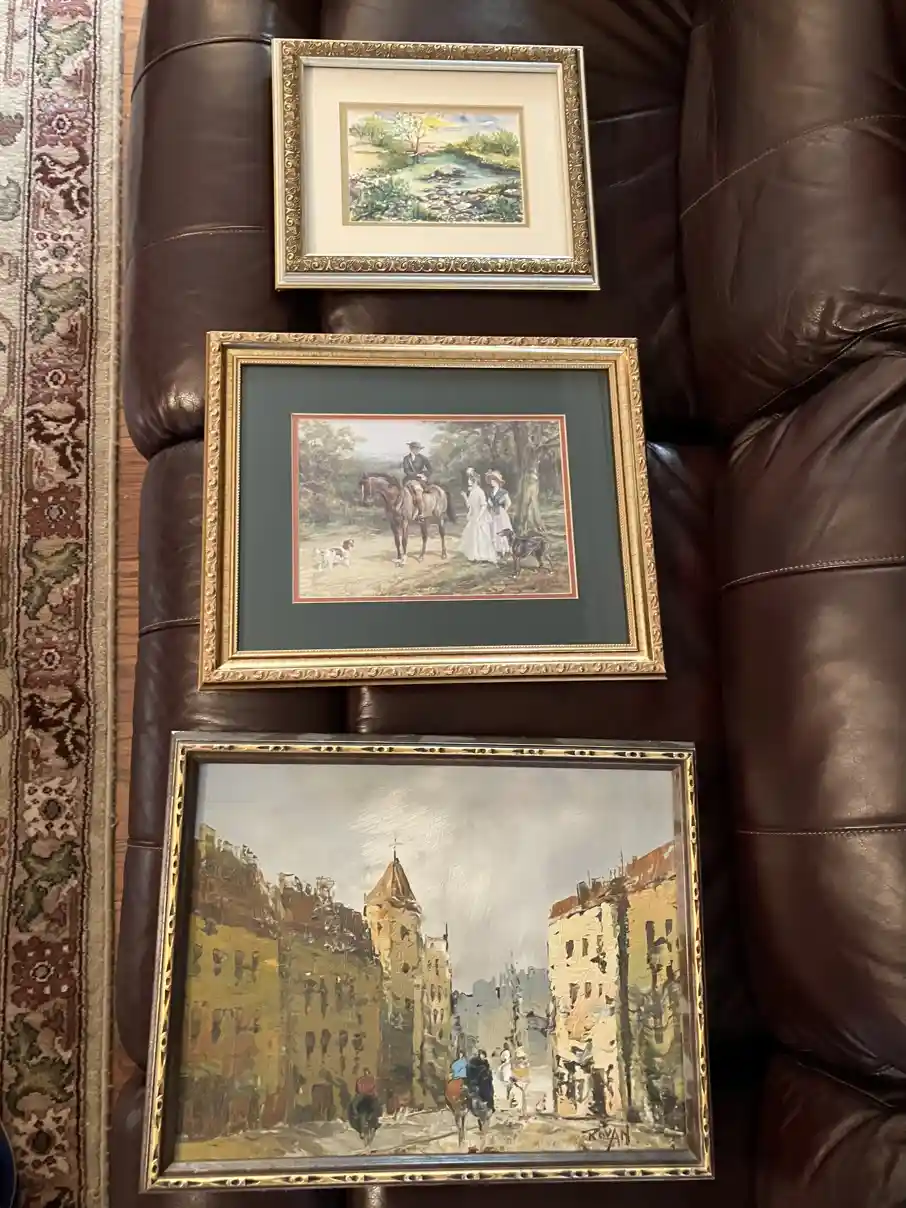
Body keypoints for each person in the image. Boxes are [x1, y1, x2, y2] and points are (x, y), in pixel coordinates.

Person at [459, 469, 497, 563]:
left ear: (475, 482)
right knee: (473, 537)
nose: (469, 483)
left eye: (471, 481)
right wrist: (465, 496)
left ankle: (482, 556)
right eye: (469, 481)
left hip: (481, 516)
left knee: (481, 536)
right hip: (474, 516)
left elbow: (484, 505)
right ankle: (475, 556)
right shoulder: (472, 492)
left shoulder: (480, 492)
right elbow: (469, 506)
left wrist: (479, 517)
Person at [485, 470, 513, 560]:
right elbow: (489, 504)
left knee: (503, 531)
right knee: (495, 531)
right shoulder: (491, 492)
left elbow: (508, 502)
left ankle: (506, 551)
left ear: (497, 481)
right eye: (491, 480)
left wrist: (504, 510)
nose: (492, 482)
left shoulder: (503, 492)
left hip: (501, 513)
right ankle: (498, 551)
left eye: (493, 480)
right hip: (493, 513)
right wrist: (489, 505)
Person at [402, 441, 432, 521]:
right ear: (411, 449)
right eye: (415, 448)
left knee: (418, 493)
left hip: (419, 480)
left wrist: (424, 475)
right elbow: (406, 470)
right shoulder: (406, 458)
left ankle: (421, 513)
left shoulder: (423, 458)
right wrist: (416, 475)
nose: (417, 450)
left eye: (418, 449)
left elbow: (430, 469)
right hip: (408, 479)